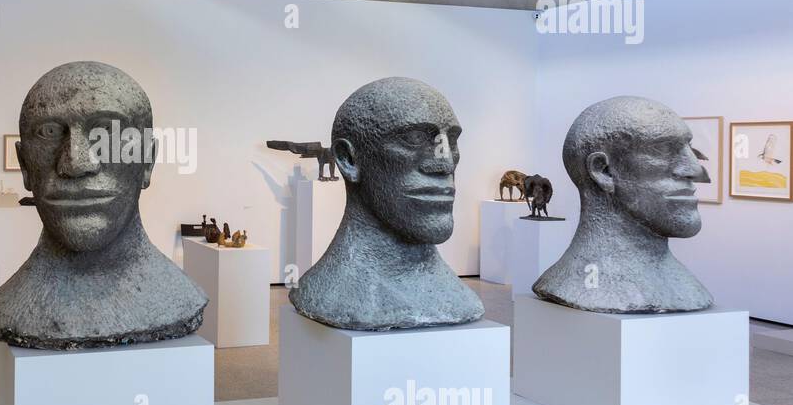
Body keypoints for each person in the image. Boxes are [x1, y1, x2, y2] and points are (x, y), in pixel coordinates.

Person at [0, 61, 206, 349]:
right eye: (49, 132)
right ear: (25, 165)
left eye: (107, 130)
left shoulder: (178, 299)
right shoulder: (10, 308)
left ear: (147, 160)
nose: (75, 163)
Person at [290, 76, 484, 330]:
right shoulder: (343, 296)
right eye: (413, 138)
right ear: (349, 159)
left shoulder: (460, 299)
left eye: (452, 141)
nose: (446, 163)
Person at [532, 96, 712, 313]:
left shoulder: (686, 288)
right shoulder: (579, 284)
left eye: (689, 149)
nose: (695, 170)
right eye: (663, 150)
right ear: (603, 171)